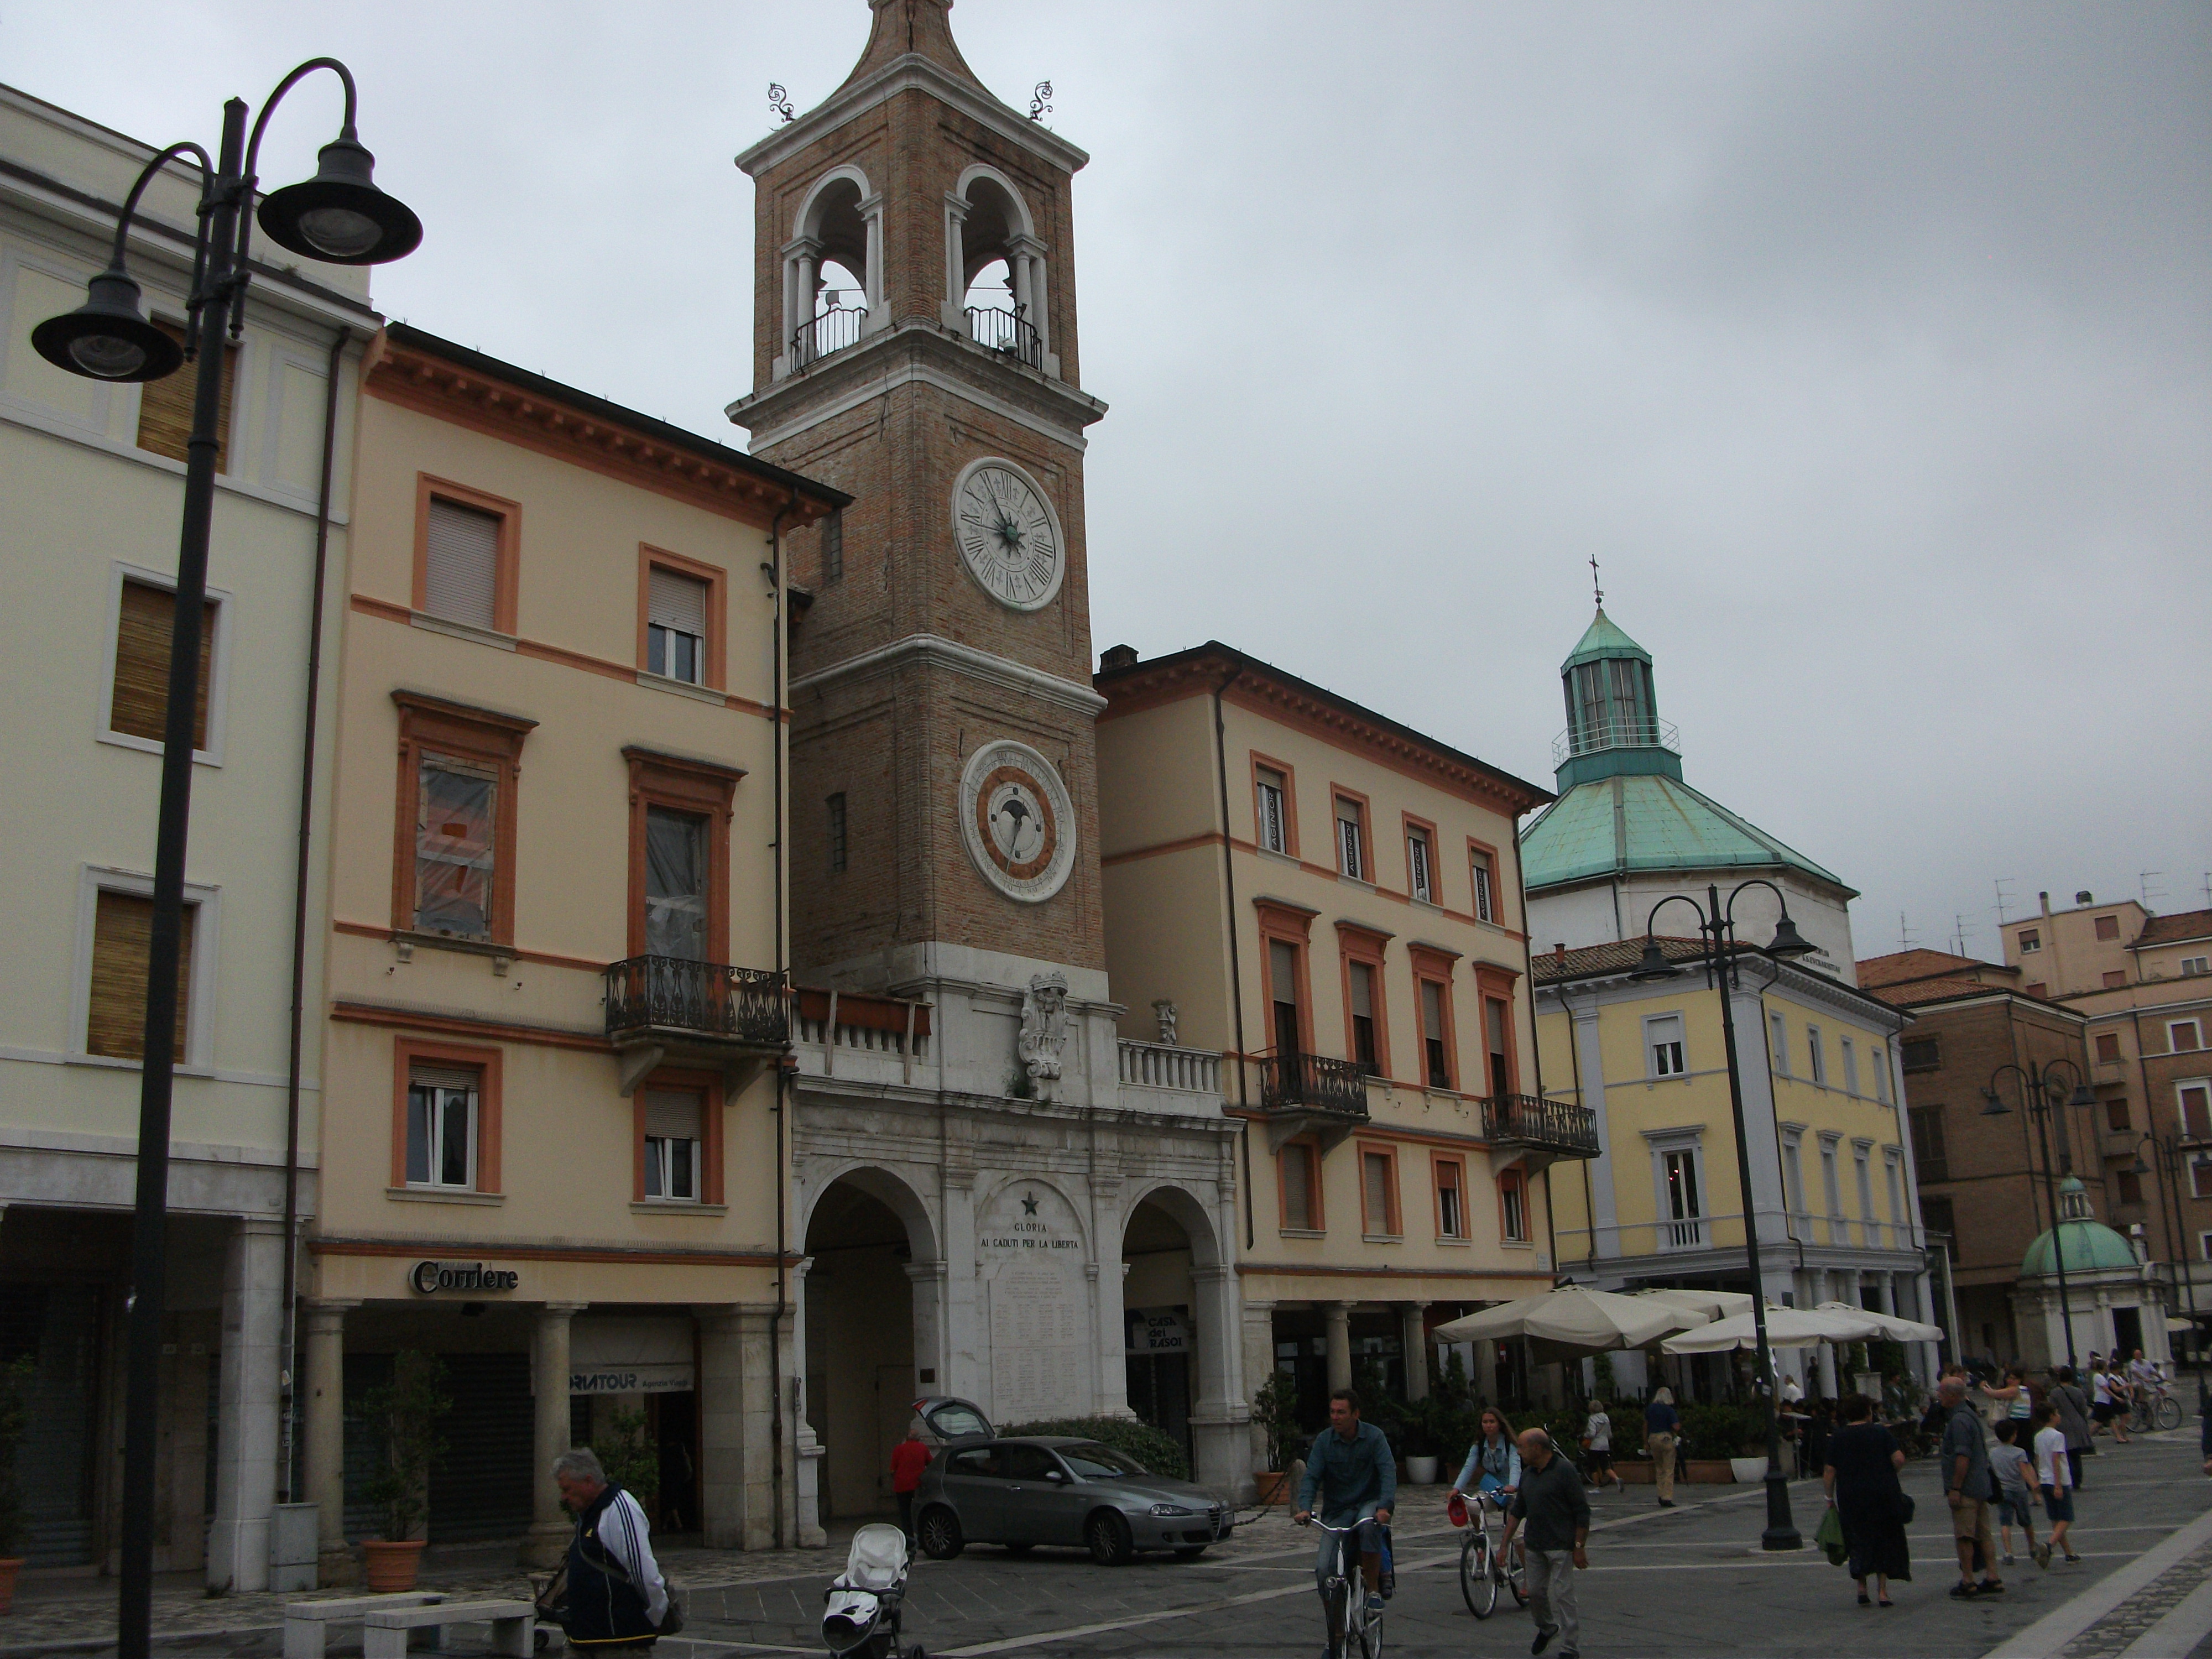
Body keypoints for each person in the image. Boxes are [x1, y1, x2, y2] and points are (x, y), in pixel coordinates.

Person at [1294, 1387, 1396, 1621]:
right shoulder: (1324, 1441)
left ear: (1355, 1414)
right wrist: (1305, 1508)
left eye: (1341, 1412)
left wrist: (1385, 1507)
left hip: (1368, 1503)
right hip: (1337, 1510)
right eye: (1332, 1412)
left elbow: (1388, 1472)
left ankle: (1373, 1589)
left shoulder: (1374, 1437)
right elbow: (1312, 1477)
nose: (1336, 1417)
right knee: (1324, 1570)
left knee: (1369, 1526)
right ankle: (1336, 1628)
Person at [553, 1447, 670, 1651]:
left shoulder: (620, 1509)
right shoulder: (589, 1514)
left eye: (567, 1490)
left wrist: (654, 1617)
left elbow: (644, 1574)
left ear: (588, 1481)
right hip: (585, 1638)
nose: (564, 1497)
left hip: (618, 1642)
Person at [1501, 1428, 1590, 1659]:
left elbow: (1582, 1511)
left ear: (1537, 1448)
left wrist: (1579, 1546)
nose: (1519, 1452)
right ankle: (1547, 1627)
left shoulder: (1564, 1471)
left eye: (1522, 1447)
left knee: (1564, 1595)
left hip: (1561, 1544)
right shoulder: (1528, 1474)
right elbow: (1518, 1511)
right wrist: (1503, 1545)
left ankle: (1570, 1647)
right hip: (1535, 1544)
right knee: (1535, 1592)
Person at [1822, 1391, 1910, 1607]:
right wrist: (1889, 1473)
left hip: (1852, 1497)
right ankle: (1883, 1592)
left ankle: (1862, 1587)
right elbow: (1899, 1459)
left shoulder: (1838, 1437)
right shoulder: (1880, 1432)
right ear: (1868, 1412)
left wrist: (1829, 1497)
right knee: (1882, 1539)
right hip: (1882, 1494)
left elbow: (1830, 1470)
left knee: (1857, 1540)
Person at [1939, 1377, 2004, 1599]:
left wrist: (1955, 1487)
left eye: (1941, 1393)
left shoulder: (1958, 1420)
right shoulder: (1971, 1415)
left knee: (1965, 1535)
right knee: (1984, 1533)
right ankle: (1993, 1576)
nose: (1939, 1397)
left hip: (1966, 1487)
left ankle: (1968, 1580)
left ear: (1952, 1396)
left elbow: (1963, 1456)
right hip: (1980, 1484)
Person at [1990, 1419, 2046, 1569]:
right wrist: (2034, 1486)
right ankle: (2032, 1548)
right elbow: (2024, 1471)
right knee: (2026, 1521)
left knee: (2005, 1523)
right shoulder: (2019, 1452)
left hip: (2002, 1490)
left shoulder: (1993, 1453)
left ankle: (2008, 1553)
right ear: (2014, 1436)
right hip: (2018, 1490)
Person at [2031, 1401, 2079, 1563]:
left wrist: (2039, 1478)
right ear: (2052, 1416)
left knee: (2055, 1518)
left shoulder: (2038, 1436)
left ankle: (2069, 1552)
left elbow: (2037, 1459)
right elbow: (2056, 1459)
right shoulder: (2058, 1436)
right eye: (2057, 1413)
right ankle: (2049, 1545)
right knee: (2067, 1517)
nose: (2059, 1416)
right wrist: (2058, 1484)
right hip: (2058, 1480)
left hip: (2045, 1479)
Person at [1452, 1407, 1523, 1509]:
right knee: (1473, 1506)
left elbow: (1515, 1466)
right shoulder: (1478, 1446)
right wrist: (1457, 1489)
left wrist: (1513, 1486)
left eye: (1492, 1422)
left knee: (1514, 1510)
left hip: (1511, 1490)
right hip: (1492, 1488)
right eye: (1485, 1422)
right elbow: (1468, 1468)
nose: (1488, 1426)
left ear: (1499, 1424)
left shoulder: (1510, 1445)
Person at [2050, 1366, 2095, 1490]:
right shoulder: (2078, 1392)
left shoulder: (2055, 1393)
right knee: (2076, 1454)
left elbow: (2052, 1409)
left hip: (2063, 1424)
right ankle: (2078, 1480)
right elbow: (2083, 1409)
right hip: (2078, 1423)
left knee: (2066, 1453)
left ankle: (2069, 1478)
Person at [890, 1421, 933, 1541]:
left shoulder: (899, 1449)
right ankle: (921, 1538)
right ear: (918, 1439)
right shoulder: (923, 1448)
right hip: (918, 1486)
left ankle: (909, 1539)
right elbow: (932, 1464)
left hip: (901, 1486)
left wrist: (896, 1479)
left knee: (905, 1514)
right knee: (920, 1513)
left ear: (907, 1438)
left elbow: (893, 1470)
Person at [1644, 1388, 1681, 1507]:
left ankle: (1660, 1494)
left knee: (1659, 1468)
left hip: (1653, 1438)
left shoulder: (1650, 1409)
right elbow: (1676, 1426)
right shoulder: (1669, 1409)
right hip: (1665, 1438)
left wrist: (1645, 1443)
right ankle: (1667, 1497)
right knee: (1669, 1469)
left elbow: (1645, 1426)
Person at [1581, 1401, 1619, 1493]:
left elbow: (1592, 1433)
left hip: (1595, 1446)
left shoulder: (1592, 1418)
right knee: (1606, 1466)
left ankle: (1597, 1487)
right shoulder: (1606, 1417)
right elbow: (1609, 1434)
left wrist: (1585, 1435)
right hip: (1605, 1445)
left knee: (1593, 1467)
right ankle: (1617, 1479)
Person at [2091, 1357, 2131, 1443]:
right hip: (2101, 1401)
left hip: (2105, 1401)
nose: (2107, 1367)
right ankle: (2087, 1436)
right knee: (2099, 1422)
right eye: (2105, 1366)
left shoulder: (2102, 1376)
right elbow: (2106, 1389)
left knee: (2111, 1420)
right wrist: (2116, 1397)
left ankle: (2119, 1437)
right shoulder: (2098, 1377)